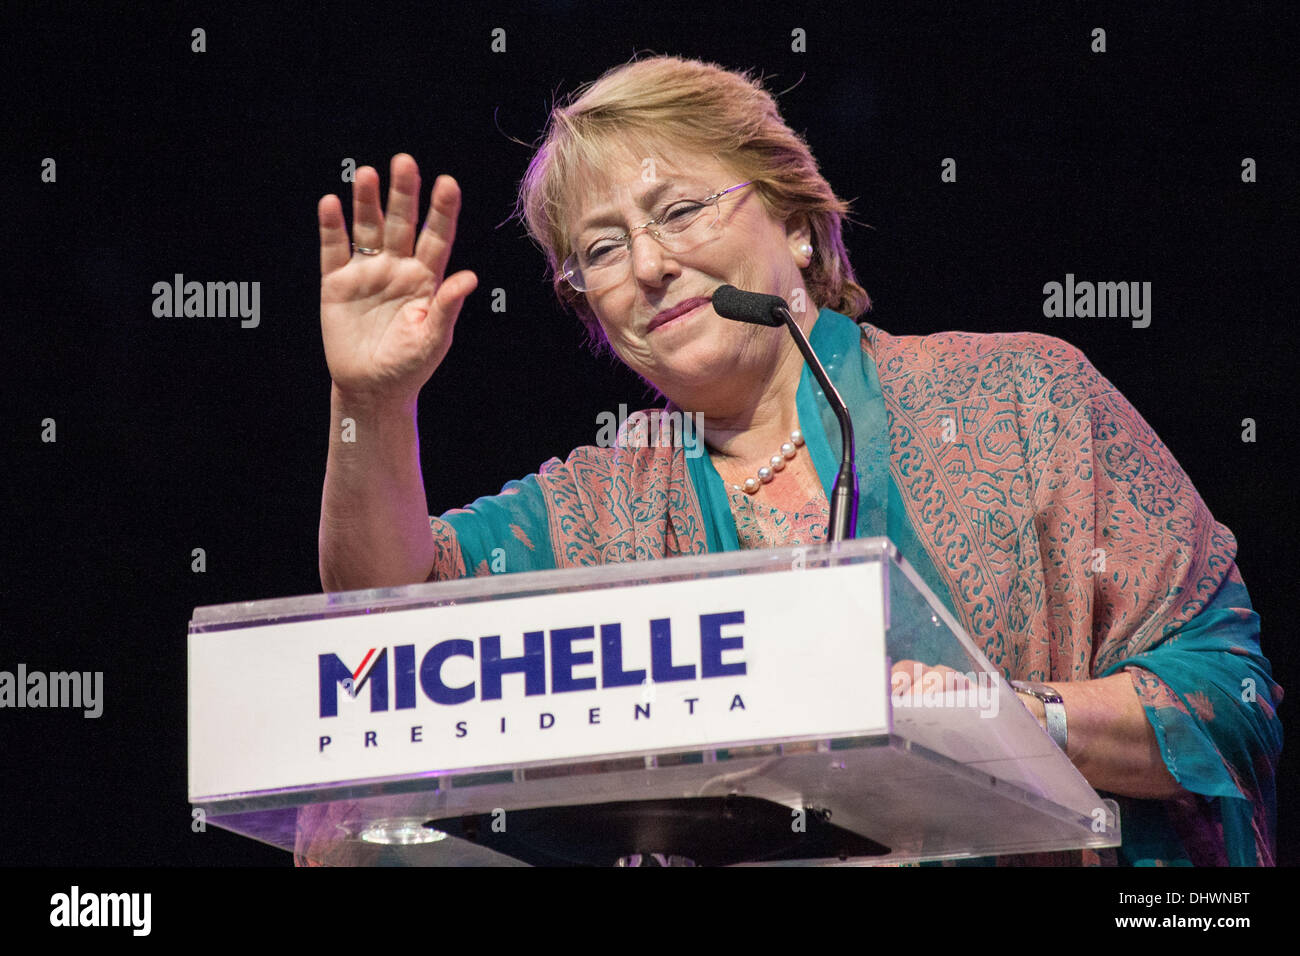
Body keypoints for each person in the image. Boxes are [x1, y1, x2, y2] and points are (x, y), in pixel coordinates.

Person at [314, 55, 1281, 866]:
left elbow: (1227, 698)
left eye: (681, 208)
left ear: (793, 218)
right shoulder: (599, 504)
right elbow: (388, 619)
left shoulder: (1022, 396)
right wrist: (371, 403)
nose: (648, 266)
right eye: (601, 250)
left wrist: (1012, 717)